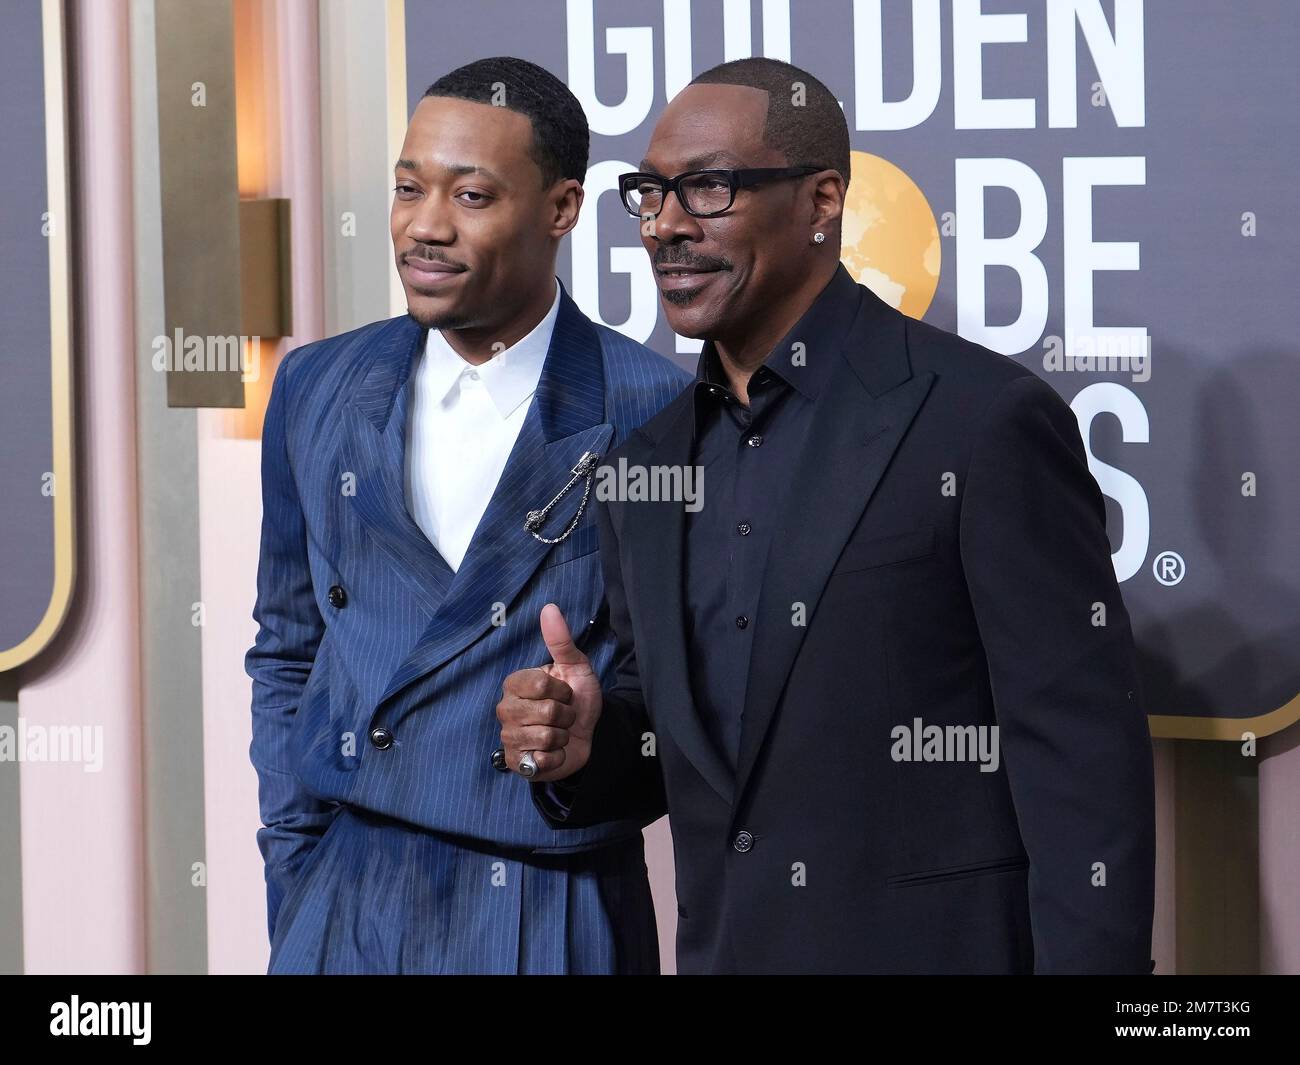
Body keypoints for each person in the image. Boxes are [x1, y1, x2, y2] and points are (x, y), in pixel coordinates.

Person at [496, 57, 1156, 974]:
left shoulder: (980, 421)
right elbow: (684, 741)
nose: (668, 225)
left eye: (710, 188)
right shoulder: (643, 463)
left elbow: (1082, 763)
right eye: (651, 193)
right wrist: (588, 744)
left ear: (823, 200)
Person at [247, 56, 690, 974]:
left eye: (472, 196)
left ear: (562, 209)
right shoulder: (317, 385)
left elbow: (690, 696)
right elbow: (288, 645)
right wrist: (297, 872)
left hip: (550, 903)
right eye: (409, 188)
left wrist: (590, 742)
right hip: (344, 899)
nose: (424, 227)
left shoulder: (656, 413)